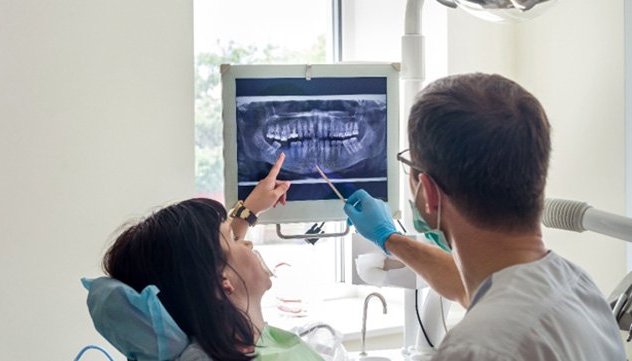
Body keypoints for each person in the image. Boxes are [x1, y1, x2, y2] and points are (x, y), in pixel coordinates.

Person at [343, 73, 626, 360]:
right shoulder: (579, 288)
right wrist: (388, 239)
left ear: (428, 192)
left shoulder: (475, 349)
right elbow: (475, 289)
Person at [96, 153, 326, 361]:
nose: (248, 242)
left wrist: (247, 212)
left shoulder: (225, 343)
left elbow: (215, 260)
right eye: (234, 239)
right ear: (221, 283)